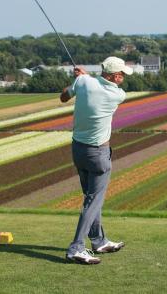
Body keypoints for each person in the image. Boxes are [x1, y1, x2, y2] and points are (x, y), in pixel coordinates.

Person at [60, 56, 133, 264]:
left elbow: (63, 97)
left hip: (78, 150)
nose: (123, 78)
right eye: (121, 74)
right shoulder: (118, 94)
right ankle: (76, 247)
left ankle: (98, 240)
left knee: (92, 197)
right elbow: (96, 85)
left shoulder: (83, 82)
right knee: (93, 201)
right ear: (113, 75)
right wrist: (84, 77)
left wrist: (79, 80)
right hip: (98, 155)